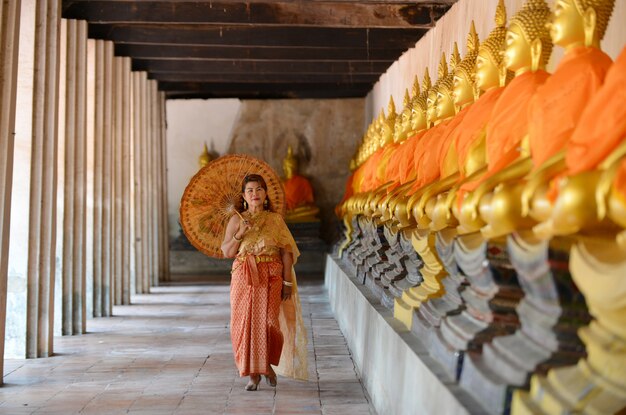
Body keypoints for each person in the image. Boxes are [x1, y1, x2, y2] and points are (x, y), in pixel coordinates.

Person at [221, 173, 308, 391]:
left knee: (269, 322)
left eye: (259, 189)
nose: (255, 194)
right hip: (244, 276)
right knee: (243, 325)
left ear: (265, 193)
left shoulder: (275, 220)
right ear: (243, 196)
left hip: (272, 275)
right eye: (250, 190)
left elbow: (286, 252)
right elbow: (226, 252)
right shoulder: (236, 220)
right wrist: (240, 234)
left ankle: (266, 365)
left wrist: (288, 282)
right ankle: (253, 374)